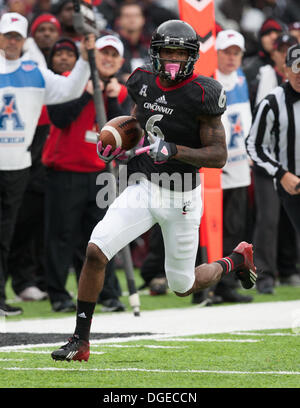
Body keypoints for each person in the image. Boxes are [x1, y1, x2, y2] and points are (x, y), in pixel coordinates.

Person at [51, 20, 257, 362]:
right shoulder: (141, 81)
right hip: (145, 187)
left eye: (180, 52)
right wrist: (120, 142)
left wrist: (174, 150)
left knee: (183, 285)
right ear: (155, 54)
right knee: (96, 250)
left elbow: (218, 155)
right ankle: (80, 340)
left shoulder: (203, 92)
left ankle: (235, 259)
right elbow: (138, 118)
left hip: (183, 198)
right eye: (167, 51)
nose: (173, 58)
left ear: (192, 57)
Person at [0, 11, 93, 316]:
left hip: (17, 163)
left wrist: (82, 60)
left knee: (6, 232)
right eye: (7, 36)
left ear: (23, 40)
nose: (11, 41)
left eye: (16, 36)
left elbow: (70, 91)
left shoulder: (35, 71)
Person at [42, 34, 130, 313]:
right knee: (61, 235)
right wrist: (85, 92)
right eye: (103, 53)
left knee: (104, 236)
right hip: (65, 170)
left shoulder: (121, 90)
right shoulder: (71, 79)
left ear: (121, 61)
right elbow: (58, 118)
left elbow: (124, 138)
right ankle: (57, 294)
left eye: (113, 55)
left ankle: (108, 293)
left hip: (100, 173)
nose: (108, 59)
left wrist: (114, 101)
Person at [248, 34, 300, 293]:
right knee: (269, 221)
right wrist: (280, 172)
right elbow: (253, 144)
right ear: (285, 70)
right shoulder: (272, 101)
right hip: (273, 172)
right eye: (296, 67)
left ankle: (290, 270)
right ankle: (265, 276)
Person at [213, 29, 253, 303]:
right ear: (215, 53)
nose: (231, 57)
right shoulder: (210, 80)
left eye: (236, 52)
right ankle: (210, 284)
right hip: (216, 170)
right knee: (212, 229)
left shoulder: (241, 78)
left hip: (239, 168)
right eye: (226, 51)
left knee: (235, 228)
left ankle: (227, 283)